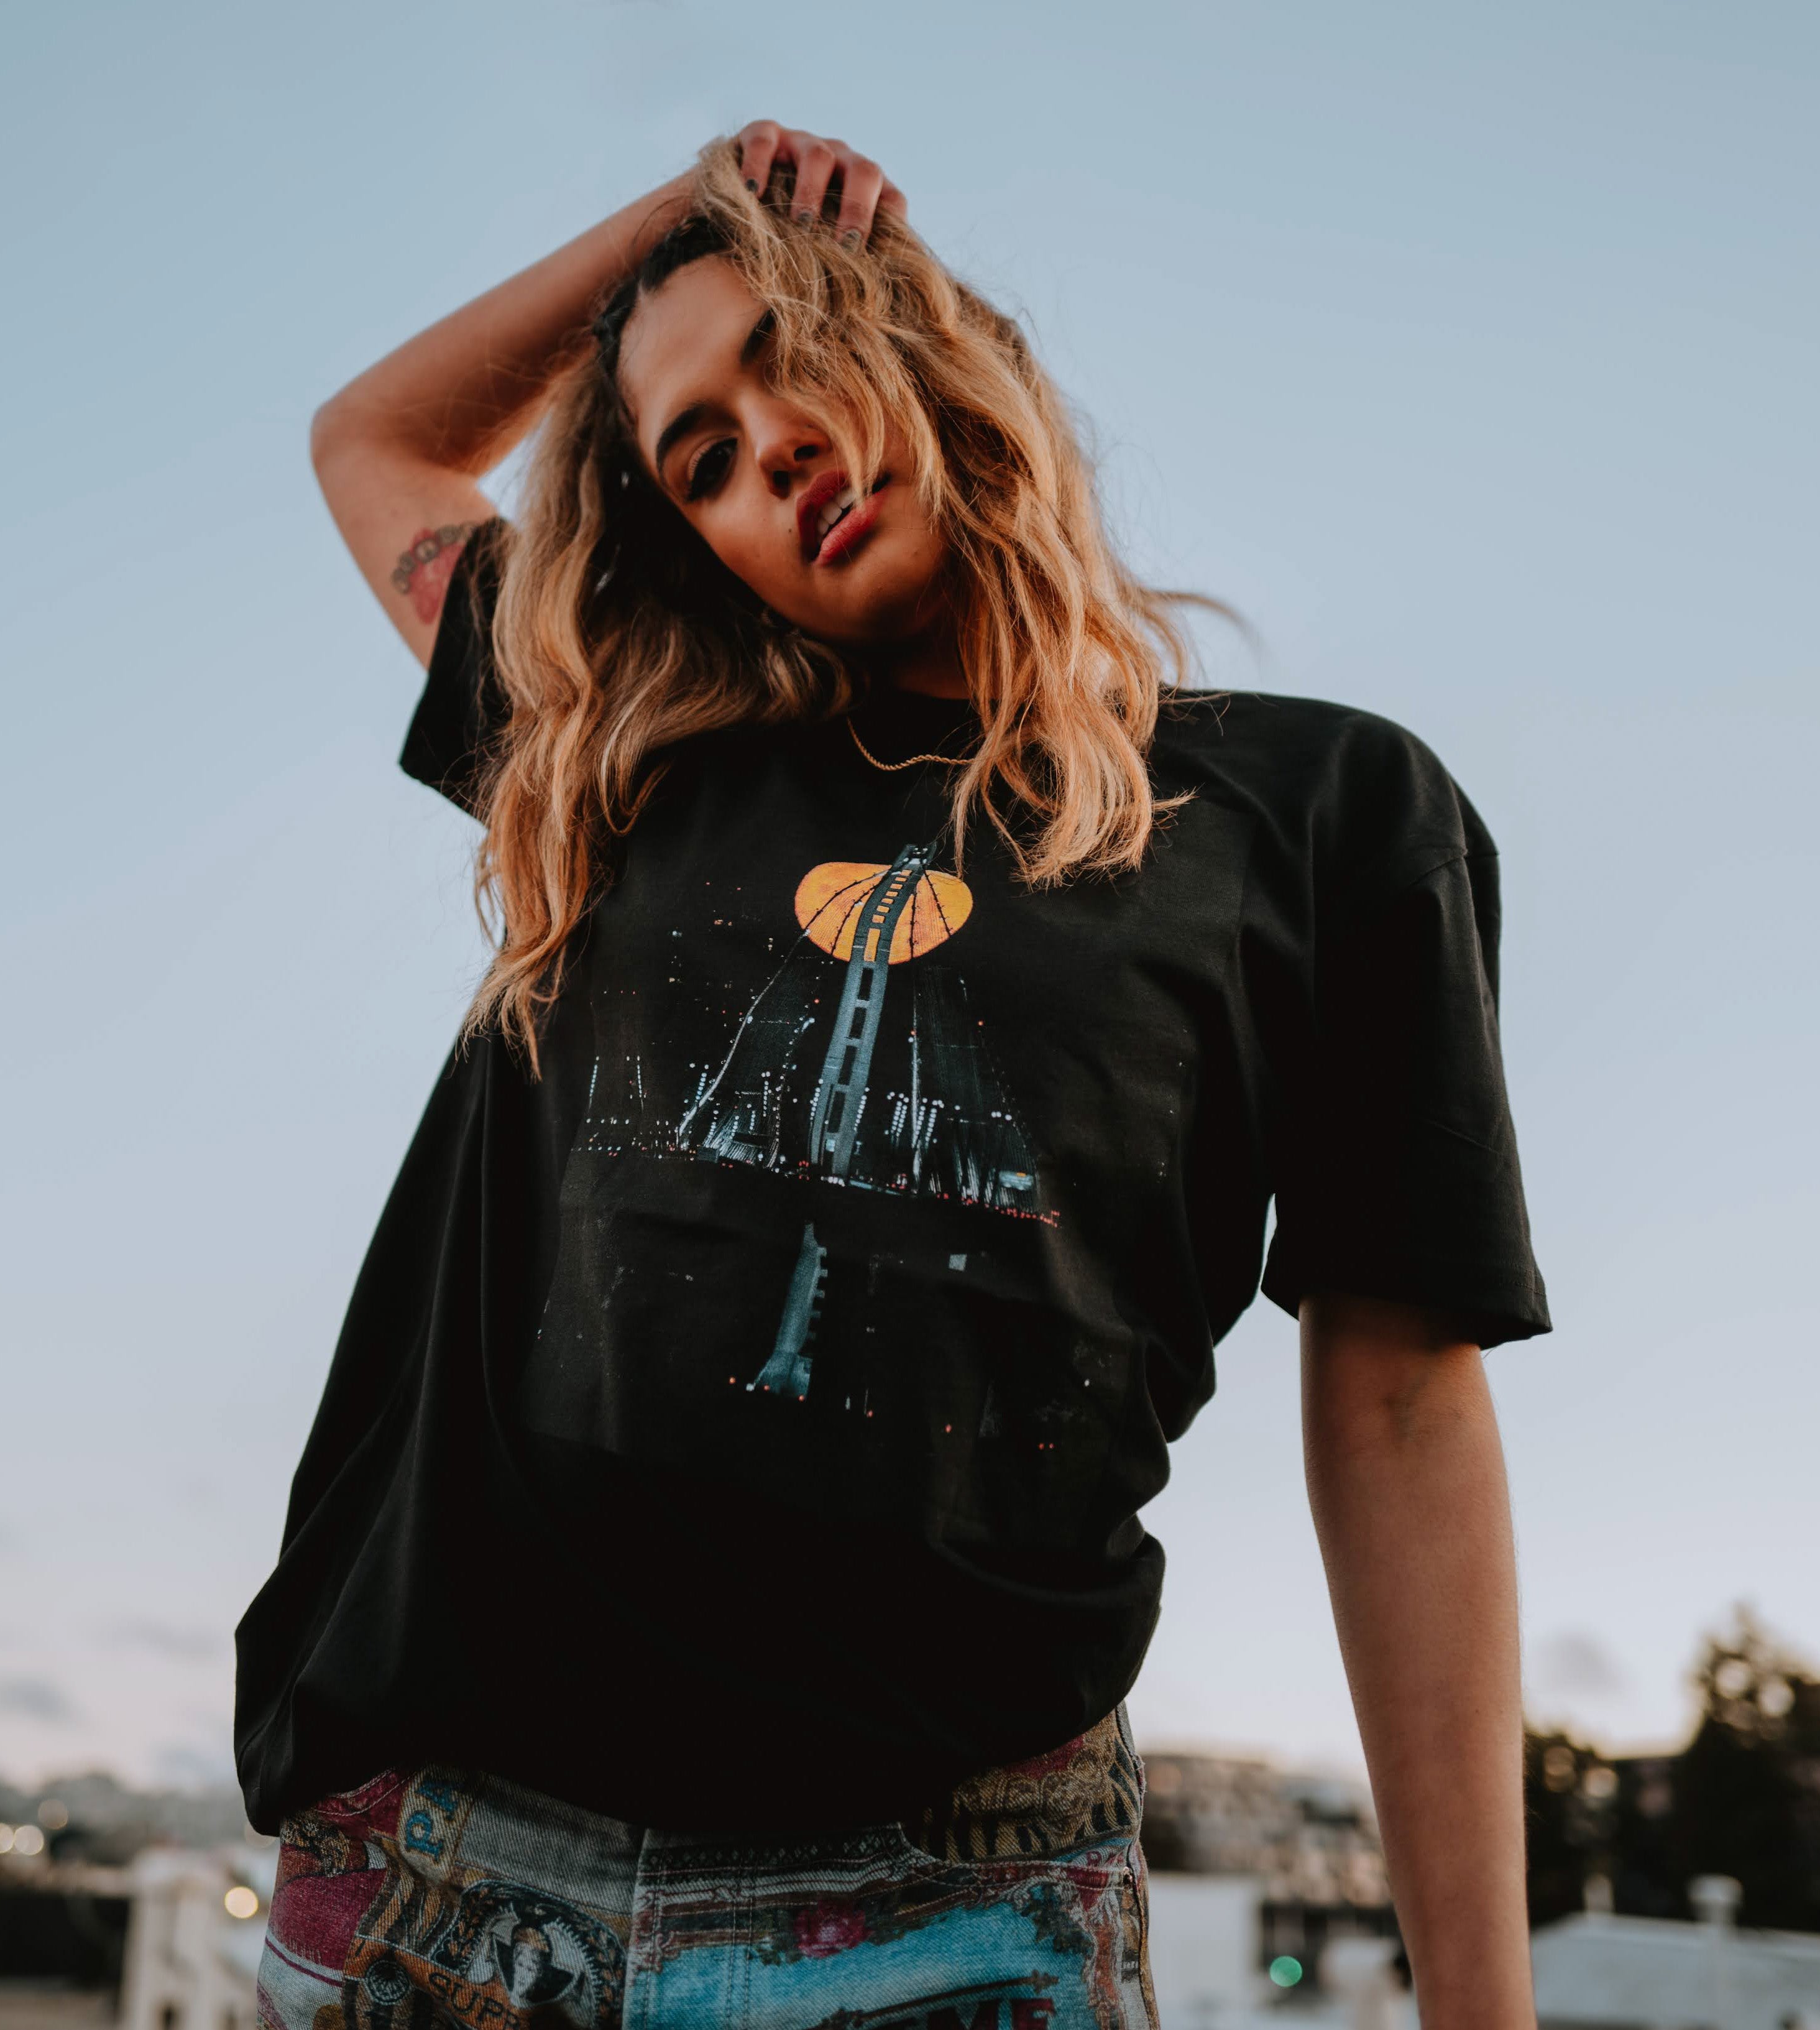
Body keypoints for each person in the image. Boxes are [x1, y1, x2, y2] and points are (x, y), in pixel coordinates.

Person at [237, 122, 1550, 2030]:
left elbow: (1406, 1409)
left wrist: (1483, 2008)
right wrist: (675, 223)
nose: (765, 444)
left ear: (926, 339)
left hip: (953, 1916)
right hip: (458, 1874)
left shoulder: (1323, 817)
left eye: (791, 351)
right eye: (700, 455)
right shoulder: (623, 755)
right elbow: (375, 447)